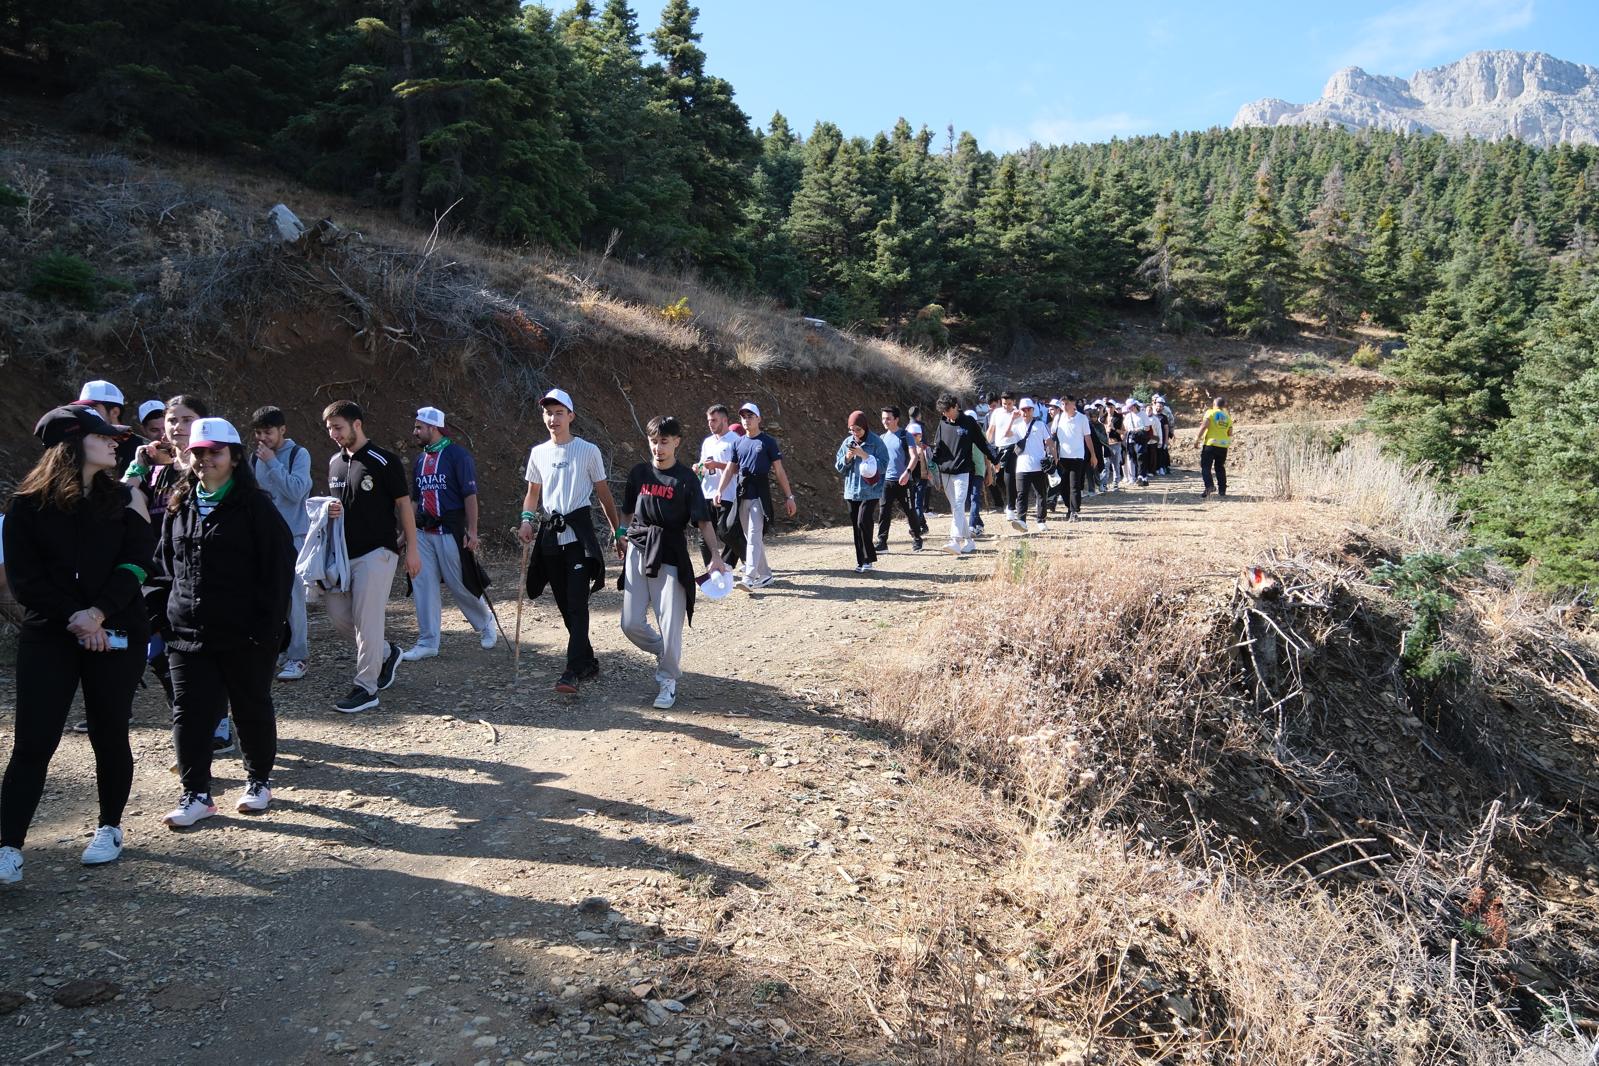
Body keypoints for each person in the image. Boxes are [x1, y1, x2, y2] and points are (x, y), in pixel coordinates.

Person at [1, 406, 154, 883]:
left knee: (109, 732)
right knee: (33, 742)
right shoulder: (26, 506)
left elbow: (138, 562)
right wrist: (76, 617)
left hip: (116, 632)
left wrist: (98, 613)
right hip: (51, 633)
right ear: (71, 443)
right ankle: (8, 846)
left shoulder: (125, 497)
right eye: (103, 436)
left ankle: (109, 827)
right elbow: (25, 581)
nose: (114, 443)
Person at [156, 419, 293, 827]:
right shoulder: (179, 504)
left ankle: (258, 781)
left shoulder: (256, 507)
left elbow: (278, 569)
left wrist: (268, 628)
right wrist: (160, 618)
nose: (205, 459)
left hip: (244, 633)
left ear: (234, 457)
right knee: (189, 712)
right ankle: (196, 793)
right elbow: (164, 566)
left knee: (250, 705)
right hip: (186, 632)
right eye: (198, 452)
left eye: (215, 452)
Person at [617, 415, 731, 709]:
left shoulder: (686, 479)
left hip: (670, 551)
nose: (658, 448)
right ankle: (665, 651)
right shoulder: (639, 473)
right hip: (639, 548)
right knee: (630, 623)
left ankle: (668, 679)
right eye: (654, 441)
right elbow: (627, 511)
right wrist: (621, 534)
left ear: (676, 442)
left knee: (670, 623)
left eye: (664, 442)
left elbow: (703, 521)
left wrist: (716, 556)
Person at [518, 388, 620, 694]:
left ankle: (571, 671)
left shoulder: (588, 450)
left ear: (571, 416)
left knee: (577, 604)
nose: (553, 419)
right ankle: (587, 661)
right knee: (564, 605)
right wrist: (526, 520)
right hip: (550, 535)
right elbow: (533, 494)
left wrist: (618, 532)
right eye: (548, 413)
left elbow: (603, 494)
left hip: (578, 537)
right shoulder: (539, 453)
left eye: (559, 413)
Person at [323, 400, 418, 713]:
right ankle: (387, 653)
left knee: (367, 620)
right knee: (339, 616)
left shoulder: (383, 460)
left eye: (338, 427)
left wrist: (412, 549)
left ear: (357, 424)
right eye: (329, 429)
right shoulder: (334, 463)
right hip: (342, 555)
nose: (334, 434)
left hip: (378, 552)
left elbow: (404, 506)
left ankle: (366, 687)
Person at [404, 406, 496, 662]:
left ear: (433, 428)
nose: (415, 432)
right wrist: (405, 534)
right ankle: (427, 642)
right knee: (422, 583)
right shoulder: (420, 460)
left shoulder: (458, 455)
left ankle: (485, 621)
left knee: (459, 583)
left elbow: (470, 495)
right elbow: (415, 500)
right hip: (423, 531)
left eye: (419, 427)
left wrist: (473, 532)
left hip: (449, 529)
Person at [248, 406, 314, 681]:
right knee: (268, 597)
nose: (263, 438)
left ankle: (299, 657)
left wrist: (273, 462)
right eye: (258, 433)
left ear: (282, 430)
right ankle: (277, 649)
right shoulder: (254, 458)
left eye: (268, 432)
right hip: (263, 538)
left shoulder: (299, 454)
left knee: (294, 598)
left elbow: (297, 491)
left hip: (293, 537)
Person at [716, 403, 797, 591]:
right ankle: (766, 575)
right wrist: (720, 490)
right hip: (742, 494)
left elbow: (779, 471)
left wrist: (789, 496)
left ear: (759, 419)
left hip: (760, 495)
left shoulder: (768, 442)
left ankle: (749, 577)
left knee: (753, 535)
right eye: (743, 417)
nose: (746, 420)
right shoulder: (738, 443)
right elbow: (730, 469)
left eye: (750, 416)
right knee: (750, 536)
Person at [931, 395, 997, 556]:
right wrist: (932, 464)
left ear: (955, 406)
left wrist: (995, 459)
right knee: (956, 508)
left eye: (947, 411)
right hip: (945, 472)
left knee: (959, 505)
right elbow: (938, 446)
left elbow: (982, 443)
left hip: (962, 472)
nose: (945, 414)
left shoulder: (969, 422)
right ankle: (969, 541)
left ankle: (955, 540)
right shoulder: (943, 423)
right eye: (943, 412)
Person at [835, 411, 890, 572]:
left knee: (863, 521)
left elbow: (884, 465)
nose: (855, 433)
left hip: (871, 490)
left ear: (865, 426)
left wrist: (864, 455)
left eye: (858, 429)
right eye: (852, 430)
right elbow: (839, 467)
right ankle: (861, 561)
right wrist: (847, 457)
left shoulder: (876, 442)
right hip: (851, 491)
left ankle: (868, 559)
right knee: (856, 526)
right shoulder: (848, 442)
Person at [695, 404, 743, 569]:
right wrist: (698, 468)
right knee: (704, 536)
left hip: (728, 494)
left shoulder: (735, 440)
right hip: (707, 492)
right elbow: (703, 465)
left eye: (714, 420)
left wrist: (717, 464)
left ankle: (732, 563)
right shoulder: (707, 442)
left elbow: (738, 468)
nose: (710, 424)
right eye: (709, 420)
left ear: (724, 420)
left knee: (726, 532)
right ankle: (711, 570)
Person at [873, 406, 926, 553]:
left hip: (904, 481)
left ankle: (917, 539)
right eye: (883, 418)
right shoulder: (882, 438)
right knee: (884, 512)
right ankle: (882, 542)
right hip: (886, 482)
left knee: (910, 511)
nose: (885, 421)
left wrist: (907, 472)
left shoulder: (905, 436)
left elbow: (914, 456)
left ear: (896, 419)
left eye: (888, 418)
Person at [71, 380, 141, 476]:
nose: (87, 414)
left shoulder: (139, 448)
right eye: (83, 409)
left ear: (115, 412)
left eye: (93, 409)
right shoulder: (79, 440)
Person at [1009, 398, 1052, 534]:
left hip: (1038, 466)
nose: (1026, 412)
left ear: (1033, 411)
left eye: (1029, 409)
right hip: (1022, 467)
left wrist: (1053, 456)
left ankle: (1041, 520)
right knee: (1021, 495)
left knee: (1041, 494)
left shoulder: (1040, 425)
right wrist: (1012, 419)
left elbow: (1049, 441)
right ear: (1020, 411)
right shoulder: (1016, 425)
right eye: (1023, 409)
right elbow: (1005, 435)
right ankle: (1022, 521)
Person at [1051, 396, 1096, 522]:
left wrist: (1093, 455)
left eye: (1067, 404)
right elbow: (1052, 436)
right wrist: (1053, 454)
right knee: (1063, 486)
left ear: (1073, 404)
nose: (1064, 406)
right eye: (1063, 404)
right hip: (1062, 457)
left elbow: (1088, 437)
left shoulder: (1082, 418)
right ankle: (1069, 508)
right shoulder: (1058, 418)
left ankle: (1074, 511)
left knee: (1074, 485)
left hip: (1077, 456)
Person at [986, 391, 1025, 519]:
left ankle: (1011, 507)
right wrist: (986, 446)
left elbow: (1020, 433)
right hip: (999, 448)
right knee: (998, 478)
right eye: (1004, 404)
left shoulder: (1019, 414)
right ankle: (1012, 497)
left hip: (1014, 448)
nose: (1006, 406)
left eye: (1009, 404)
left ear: (1014, 402)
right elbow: (991, 430)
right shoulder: (997, 413)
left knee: (1009, 476)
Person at [1195, 396, 1233, 499]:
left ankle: (1209, 486)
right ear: (1223, 405)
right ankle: (1222, 490)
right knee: (1220, 467)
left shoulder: (1210, 412)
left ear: (1214, 404)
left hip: (1211, 444)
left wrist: (1197, 439)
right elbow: (1230, 432)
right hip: (1223, 445)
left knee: (1206, 467)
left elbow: (1204, 426)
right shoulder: (1227, 416)